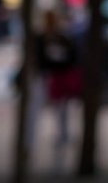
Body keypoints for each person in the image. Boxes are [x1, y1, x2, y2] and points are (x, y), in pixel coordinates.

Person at [34, 9, 82, 171]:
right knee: (59, 108)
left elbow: (72, 56)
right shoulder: (45, 38)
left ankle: (62, 133)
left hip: (59, 76)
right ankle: (60, 133)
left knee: (61, 108)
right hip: (52, 75)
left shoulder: (63, 37)